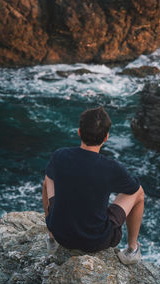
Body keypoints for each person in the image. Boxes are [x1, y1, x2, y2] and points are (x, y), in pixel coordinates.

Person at [42, 107, 144, 265]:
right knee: (139, 193)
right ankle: (131, 250)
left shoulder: (60, 155)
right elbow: (133, 189)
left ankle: (50, 238)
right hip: (96, 241)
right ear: (106, 138)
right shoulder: (111, 167)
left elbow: (50, 184)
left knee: (48, 179)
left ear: (79, 132)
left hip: (61, 234)